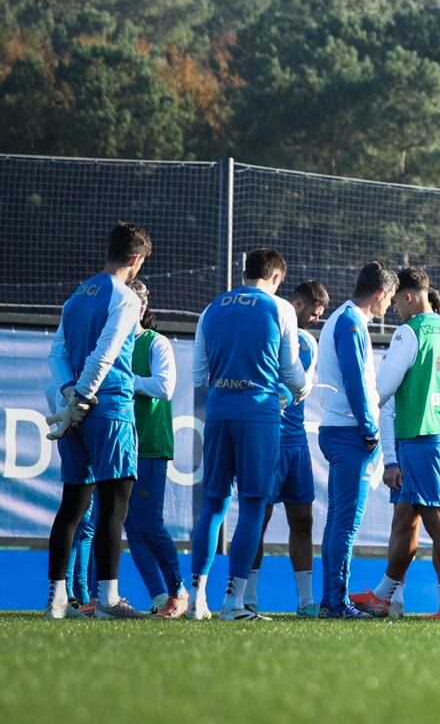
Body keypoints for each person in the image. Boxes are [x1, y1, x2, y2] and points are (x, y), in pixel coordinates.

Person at [188, 248, 309, 620]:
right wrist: (297, 391)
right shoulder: (280, 309)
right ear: (275, 278)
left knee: (213, 503)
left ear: (244, 272)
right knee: (253, 503)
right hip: (259, 414)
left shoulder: (212, 308)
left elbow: (198, 377)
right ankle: (233, 602)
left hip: (219, 412)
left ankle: (196, 600)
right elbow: (291, 373)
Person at [43, 222, 153, 620]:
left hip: (76, 406)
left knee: (72, 505)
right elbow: (105, 354)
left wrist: (70, 394)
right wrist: (84, 397)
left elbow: (56, 352)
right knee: (114, 506)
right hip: (108, 408)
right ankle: (107, 600)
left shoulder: (76, 296)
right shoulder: (124, 298)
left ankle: (56, 601)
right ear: (136, 259)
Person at [355, 268, 440, 620]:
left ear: (408, 296)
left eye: (396, 302)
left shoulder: (410, 332)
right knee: (406, 516)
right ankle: (384, 596)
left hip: (419, 434)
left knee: (438, 520)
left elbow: (384, 387)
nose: (395, 310)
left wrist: (360, 413)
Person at [316, 261, 397, 618]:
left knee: (337, 521)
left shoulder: (344, 318)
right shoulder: (350, 323)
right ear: (380, 293)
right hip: (350, 433)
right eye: (390, 298)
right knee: (345, 523)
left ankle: (330, 599)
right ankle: (337, 602)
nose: (389, 306)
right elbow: (354, 382)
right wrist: (369, 429)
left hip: (340, 429)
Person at [251, 280, 328, 616]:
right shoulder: (264, 330)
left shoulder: (308, 343)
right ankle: (246, 597)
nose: (315, 317)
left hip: (296, 442)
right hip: (266, 437)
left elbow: (300, 389)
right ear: (297, 304)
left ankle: (306, 601)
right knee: (259, 517)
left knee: (303, 519)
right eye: (313, 310)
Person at [121, 279, 185, 617]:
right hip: (119, 444)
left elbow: (165, 386)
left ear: (143, 308)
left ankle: (180, 591)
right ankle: (160, 598)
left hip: (150, 444)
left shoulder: (155, 343)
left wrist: (124, 382)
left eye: (134, 303)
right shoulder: (113, 343)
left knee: (150, 524)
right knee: (132, 528)